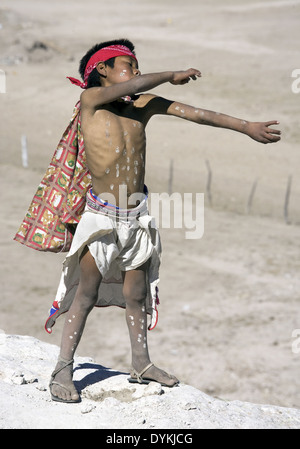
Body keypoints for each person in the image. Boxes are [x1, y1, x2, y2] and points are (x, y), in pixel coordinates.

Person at [28, 38, 282, 403]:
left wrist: (246, 127)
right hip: (101, 217)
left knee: (137, 294)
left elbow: (198, 113)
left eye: (136, 65)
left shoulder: (141, 107)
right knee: (86, 293)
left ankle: (142, 364)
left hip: (136, 216)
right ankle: (62, 370)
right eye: (128, 65)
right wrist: (172, 74)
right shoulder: (91, 103)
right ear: (102, 70)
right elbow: (134, 86)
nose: (136, 72)